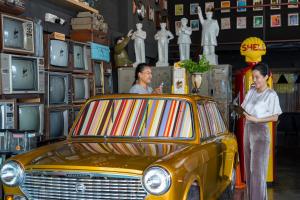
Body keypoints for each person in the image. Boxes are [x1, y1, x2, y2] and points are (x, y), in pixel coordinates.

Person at [241, 63, 282, 200]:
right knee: (249, 170)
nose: (254, 80)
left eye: (257, 77)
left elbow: (275, 116)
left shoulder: (271, 94)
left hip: (260, 132)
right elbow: (244, 107)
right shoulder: (252, 91)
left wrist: (257, 119)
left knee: (257, 171)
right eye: (253, 77)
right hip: (248, 129)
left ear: (266, 77)